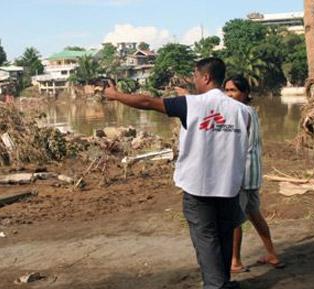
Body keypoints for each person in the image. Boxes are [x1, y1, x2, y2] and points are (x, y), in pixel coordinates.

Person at [104, 57, 250, 289]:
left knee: (206, 239)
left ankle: (216, 286)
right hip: (229, 187)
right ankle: (223, 282)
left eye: (195, 75)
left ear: (206, 77)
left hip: (198, 187)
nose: (194, 80)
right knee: (223, 236)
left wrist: (116, 95)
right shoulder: (243, 111)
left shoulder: (191, 104)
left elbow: (147, 102)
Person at [223, 75, 285, 273]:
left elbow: (233, 146)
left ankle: (235, 261)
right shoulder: (252, 111)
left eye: (233, 90)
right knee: (254, 214)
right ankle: (271, 253)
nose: (229, 94)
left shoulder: (238, 112)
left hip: (241, 174)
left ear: (245, 93)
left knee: (235, 219)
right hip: (253, 173)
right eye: (227, 90)